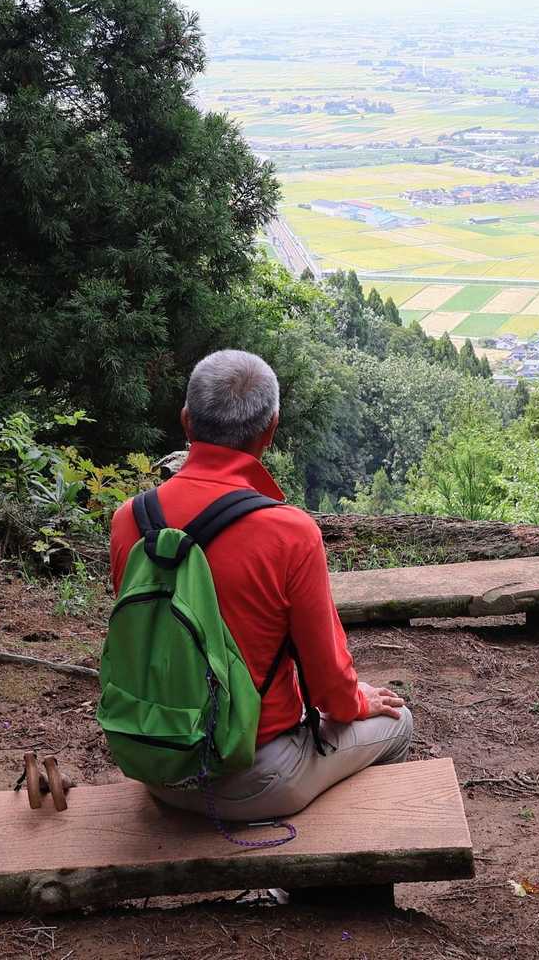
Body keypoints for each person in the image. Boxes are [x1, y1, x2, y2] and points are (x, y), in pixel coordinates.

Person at [109, 349, 411, 820]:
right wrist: (358, 700)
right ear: (271, 428)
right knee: (397, 722)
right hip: (254, 776)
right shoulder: (289, 533)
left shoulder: (131, 519)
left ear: (186, 420)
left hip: (157, 766)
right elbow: (329, 686)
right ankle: (345, 857)